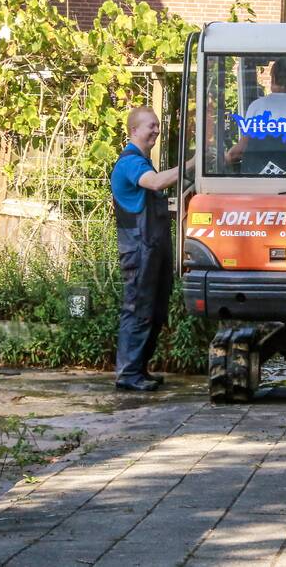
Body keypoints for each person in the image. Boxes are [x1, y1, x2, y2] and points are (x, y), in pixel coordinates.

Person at [110, 106, 186, 391]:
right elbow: (155, 183)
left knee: (154, 311)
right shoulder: (131, 163)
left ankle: (139, 370)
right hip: (139, 249)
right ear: (134, 130)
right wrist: (194, 162)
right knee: (138, 309)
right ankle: (128, 375)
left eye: (157, 125)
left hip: (153, 249)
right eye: (150, 126)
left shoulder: (143, 162)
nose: (156, 130)